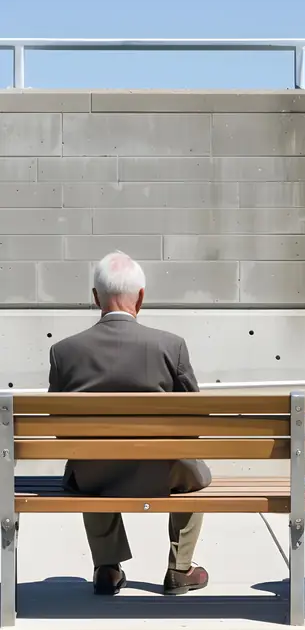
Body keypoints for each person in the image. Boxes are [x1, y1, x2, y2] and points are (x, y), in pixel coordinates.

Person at [48, 251, 212, 597]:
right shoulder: (170, 346)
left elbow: (60, 428)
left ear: (96, 297)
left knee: (87, 461)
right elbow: (195, 419)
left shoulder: (64, 352)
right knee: (193, 473)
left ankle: (107, 568)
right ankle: (180, 568)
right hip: (163, 472)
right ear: (140, 297)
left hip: (96, 474)